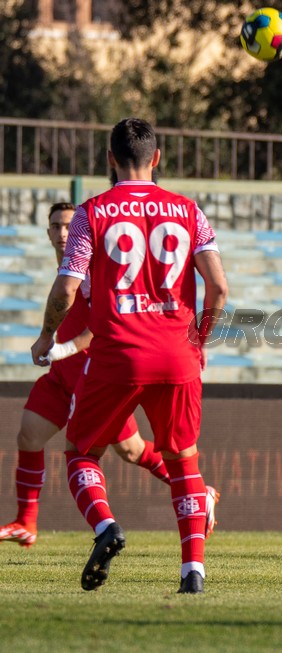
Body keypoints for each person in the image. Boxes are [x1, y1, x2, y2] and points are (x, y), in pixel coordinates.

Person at [30, 118, 229, 594]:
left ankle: (106, 527)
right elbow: (219, 287)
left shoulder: (91, 213)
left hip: (117, 354)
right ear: (156, 158)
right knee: (183, 461)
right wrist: (199, 340)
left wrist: (45, 336)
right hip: (178, 354)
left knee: (81, 452)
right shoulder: (189, 211)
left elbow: (66, 289)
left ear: (110, 159)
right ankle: (193, 572)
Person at [0, 203, 218, 549]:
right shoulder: (67, 269)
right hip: (62, 378)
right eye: (55, 226)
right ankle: (26, 522)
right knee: (28, 435)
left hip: (97, 377)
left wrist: (59, 349)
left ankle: (198, 490)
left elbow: (101, 327)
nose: (62, 233)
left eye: (68, 226)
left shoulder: (90, 271)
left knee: (131, 451)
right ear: (47, 233)